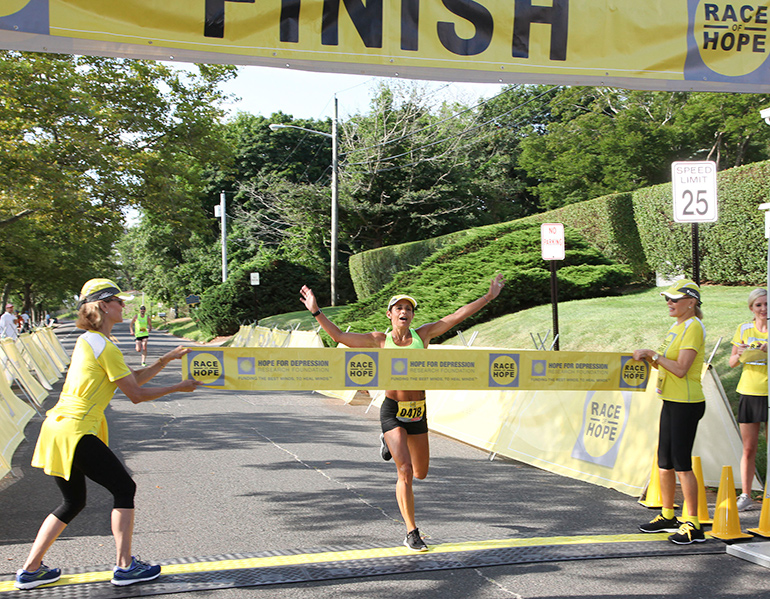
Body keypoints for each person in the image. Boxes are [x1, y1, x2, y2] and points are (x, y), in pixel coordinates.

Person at [15, 279, 202, 590]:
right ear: (102, 306)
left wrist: (164, 360)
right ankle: (125, 566)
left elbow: (129, 380)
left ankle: (30, 570)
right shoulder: (104, 345)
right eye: (117, 300)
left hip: (58, 428)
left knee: (72, 501)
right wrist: (178, 386)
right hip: (77, 429)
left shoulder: (92, 341)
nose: (123, 305)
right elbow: (136, 394)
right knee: (124, 487)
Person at [299, 274, 505, 552]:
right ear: (390, 315)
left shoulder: (423, 335)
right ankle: (412, 532)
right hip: (393, 411)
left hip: (418, 412)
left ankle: (388, 443)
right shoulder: (379, 340)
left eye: (409, 309)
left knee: (421, 473)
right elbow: (339, 337)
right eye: (399, 308)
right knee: (405, 471)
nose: (405, 312)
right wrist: (316, 310)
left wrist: (489, 297)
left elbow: (456, 316)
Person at [633, 279, 706, 545]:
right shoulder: (676, 326)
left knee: (681, 462)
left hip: (687, 403)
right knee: (664, 461)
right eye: (667, 299)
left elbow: (681, 368)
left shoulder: (694, 327)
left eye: (675, 299)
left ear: (692, 302)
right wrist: (649, 359)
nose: (669, 303)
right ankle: (667, 515)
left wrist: (654, 354)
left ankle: (694, 524)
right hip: (671, 400)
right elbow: (665, 366)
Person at [728, 288, 768, 511]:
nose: (763, 309)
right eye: (759, 305)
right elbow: (732, 362)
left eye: (766, 304)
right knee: (748, 448)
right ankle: (746, 493)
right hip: (750, 392)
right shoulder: (744, 328)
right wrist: (740, 353)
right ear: (751, 308)